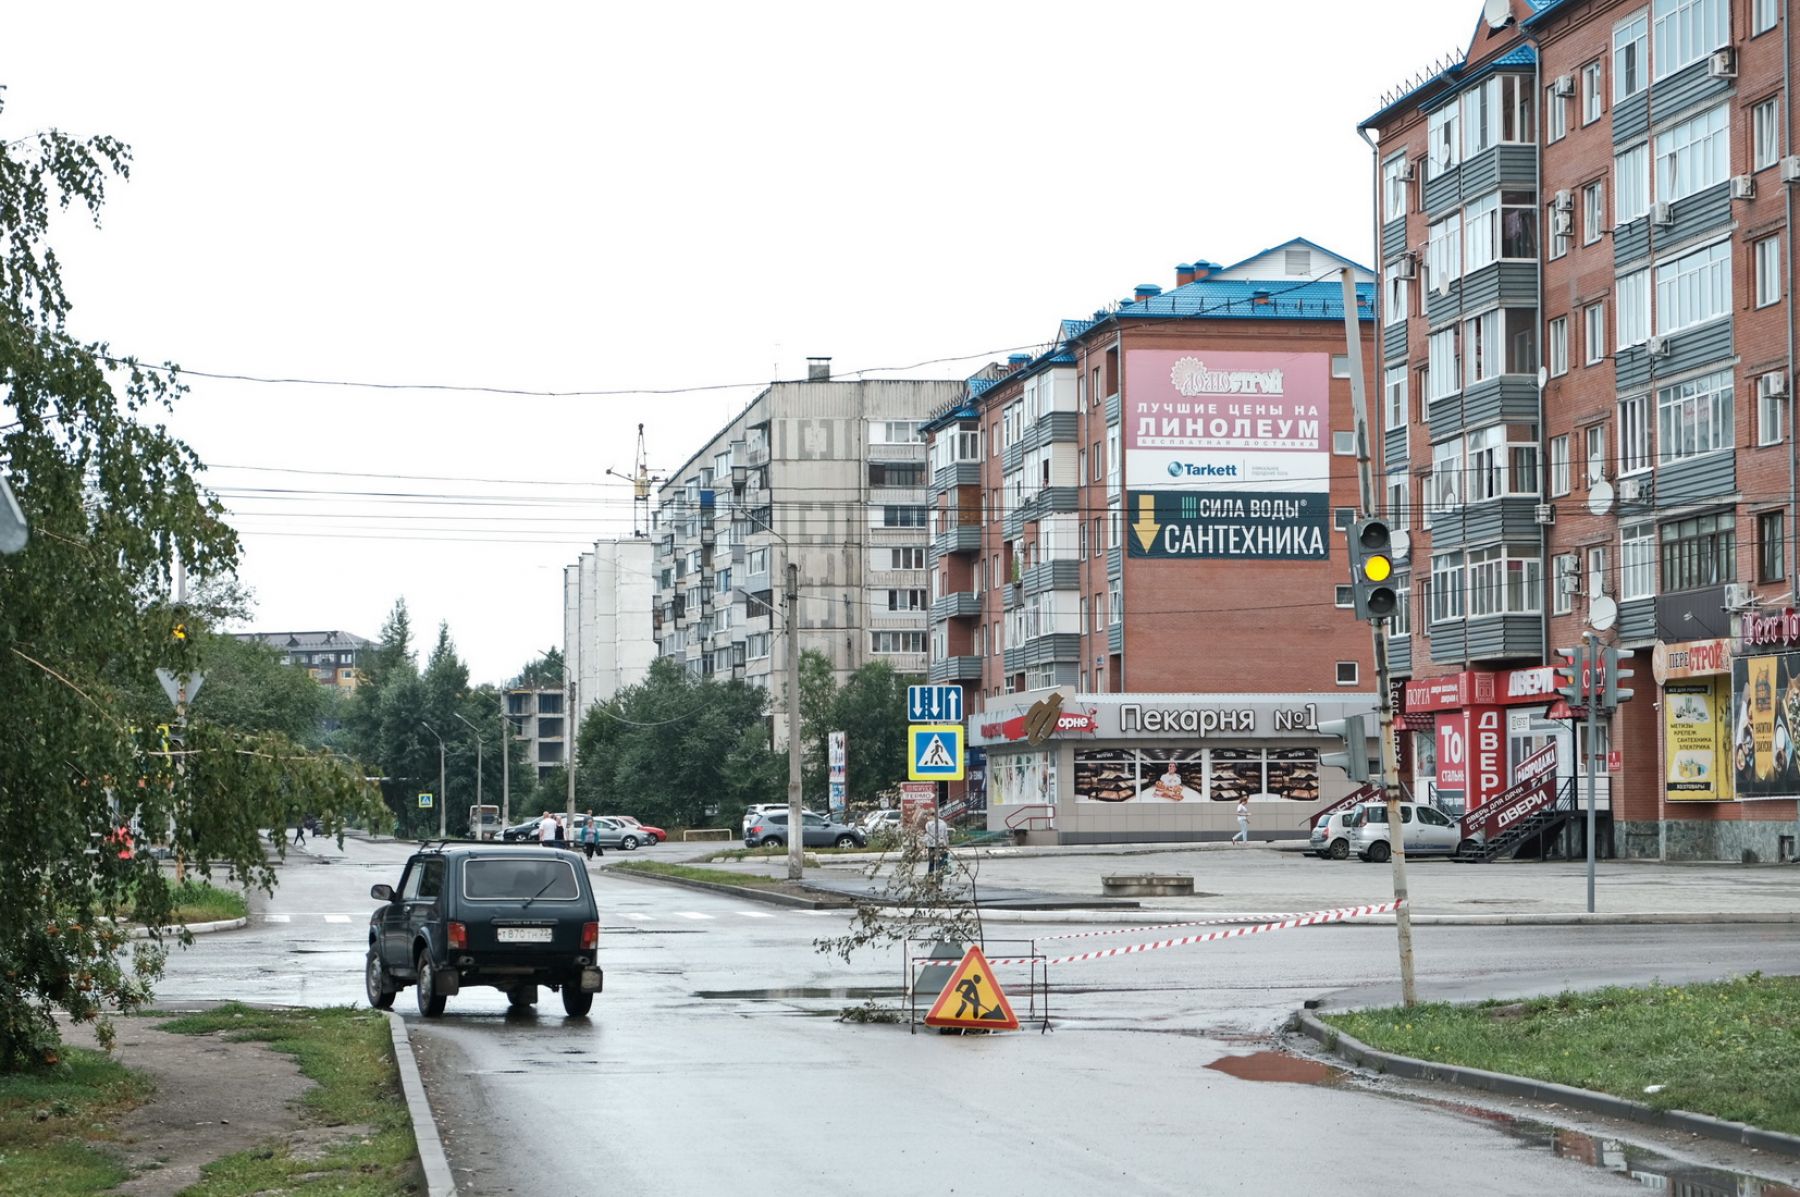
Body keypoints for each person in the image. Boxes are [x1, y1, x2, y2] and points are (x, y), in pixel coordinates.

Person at [923, 810, 951, 875]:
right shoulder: (943, 823)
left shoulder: (928, 824)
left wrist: (924, 847)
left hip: (931, 846)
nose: (927, 818)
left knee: (931, 862)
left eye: (927, 816)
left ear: (930, 815)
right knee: (941, 862)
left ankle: (931, 876)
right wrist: (947, 845)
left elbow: (927, 836)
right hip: (941, 845)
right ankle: (939, 876)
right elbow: (945, 835)